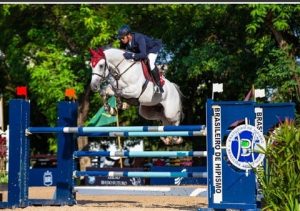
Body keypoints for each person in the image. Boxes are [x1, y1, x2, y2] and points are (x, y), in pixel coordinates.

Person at [117, 24, 164, 93]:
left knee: (150, 62)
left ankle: (159, 85)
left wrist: (131, 56)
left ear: (128, 35)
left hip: (151, 50)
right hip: (141, 53)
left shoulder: (139, 38)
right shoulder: (124, 42)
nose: (121, 40)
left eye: (122, 38)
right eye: (120, 38)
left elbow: (143, 55)